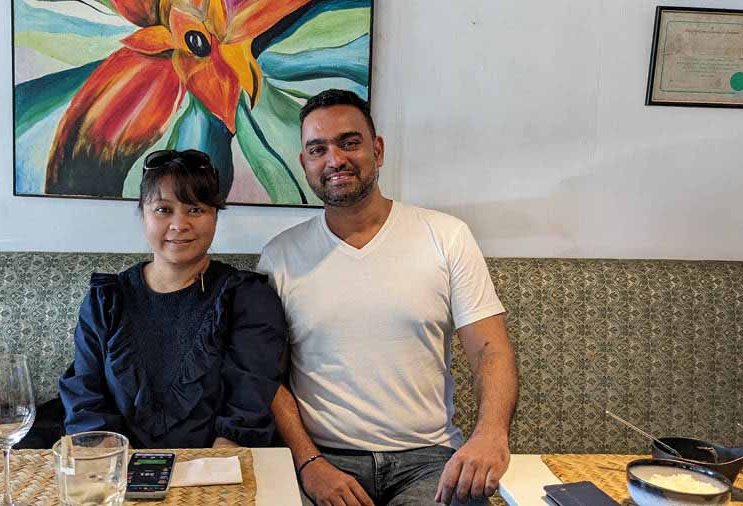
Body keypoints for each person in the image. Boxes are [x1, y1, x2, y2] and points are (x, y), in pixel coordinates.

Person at [258, 90, 518, 505]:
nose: (335, 159)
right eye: (317, 149)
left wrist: (489, 436)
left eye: (349, 142)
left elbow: (491, 348)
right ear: (304, 163)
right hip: (325, 460)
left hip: (430, 461)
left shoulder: (446, 236)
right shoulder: (280, 256)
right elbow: (270, 379)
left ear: (377, 150)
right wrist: (309, 464)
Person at [60, 149, 287, 449]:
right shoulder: (106, 300)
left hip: (218, 473)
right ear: (143, 213)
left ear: (215, 215)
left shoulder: (247, 299)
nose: (179, 225)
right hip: (120, 471)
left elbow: (247, 404)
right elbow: (86, 395)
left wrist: (213, 482)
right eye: (163, 210)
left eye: (195, 209)